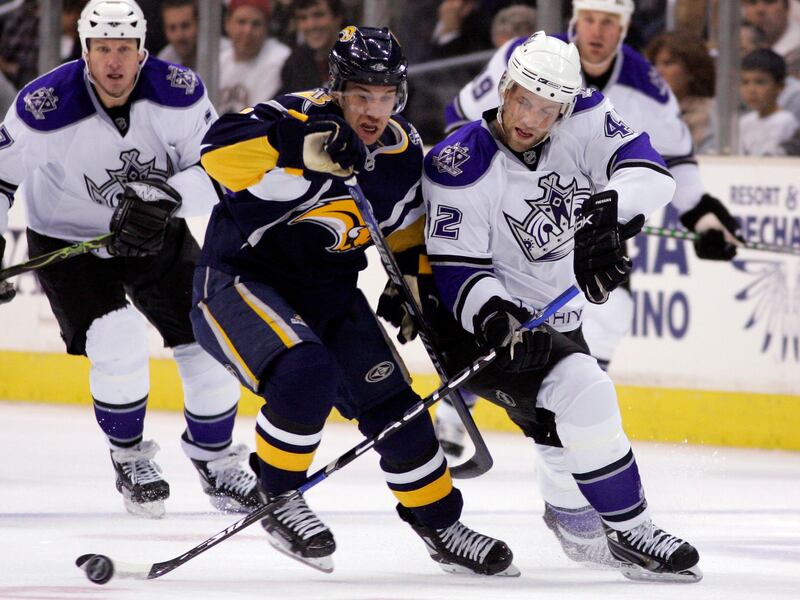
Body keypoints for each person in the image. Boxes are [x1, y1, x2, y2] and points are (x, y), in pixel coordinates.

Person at [191, 25, 517, 577]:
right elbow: (215, 152)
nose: (374, 109)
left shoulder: (400, 149)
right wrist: (295, 148)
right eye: (362, 94)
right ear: (337, 89)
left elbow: (408, 228)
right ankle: (278, 495)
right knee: (305, 372)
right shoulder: (292, 117)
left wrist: (410, 282)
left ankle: (441, 524)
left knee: (402, 413)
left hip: (330, 296)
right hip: (238, 285)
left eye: (386, 95)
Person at [420, 30, 702, 583]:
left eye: (549, 109)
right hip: (478, 326)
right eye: (523, 100)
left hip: (554, 317)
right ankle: (632, 530)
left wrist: (609, 211)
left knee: (557, 420)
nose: (531, 118)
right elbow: (458, 269)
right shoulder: (458, 165)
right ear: (503, 89)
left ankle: (574, 522)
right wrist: (494, 314)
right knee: (585, 391)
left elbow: (651, 173)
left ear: (566, 108)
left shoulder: (587, 115)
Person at [433, 0, 743, 468]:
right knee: (490, 307)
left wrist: (701, 215)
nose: (597, 33)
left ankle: (566, 424)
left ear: (624, 29)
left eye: (609, 24)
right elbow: (462, 120)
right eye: (590, 21)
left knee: (612, 309)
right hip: (503, 220)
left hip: (585, 224)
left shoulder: (645, 85)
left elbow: (671, 158)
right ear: (576, 21)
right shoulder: (524, 58)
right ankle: (457, 412)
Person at [0, 0, 261, 519]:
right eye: (102, 50)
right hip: (67, 241)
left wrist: (167, 199)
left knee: (208, 341)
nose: (114, 63)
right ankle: (130, 456)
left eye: (124, 49)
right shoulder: (44, 105)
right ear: (85, 50)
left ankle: (216, 462)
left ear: (142, 51)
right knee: (116, 339)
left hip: (155, 232)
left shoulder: (179, 93)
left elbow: (218, 171)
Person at [645, 31, 717, 154]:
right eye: (654, 64)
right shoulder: (642, 110)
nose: (658, 71)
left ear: (692, 70)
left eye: (668, 63)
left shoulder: (713, 113)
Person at [217, 0, 291, 114]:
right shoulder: (219, 61)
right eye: (241, 22)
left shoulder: (280, 59)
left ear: (267, 27)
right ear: (227, 23)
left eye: (256, 24)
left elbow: (258, 117)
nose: (248, 31)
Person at [277, 0, 344, 95]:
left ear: (337, 17)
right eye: (303, 18)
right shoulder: (294, 65)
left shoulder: (359, 59)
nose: (311, 25)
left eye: (318, 15)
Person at [740, 48, 799, 154]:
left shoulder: (786, 122)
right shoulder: (744, 122)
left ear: (780, 86)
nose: (751, 90)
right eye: (745, 82)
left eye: (760, 82)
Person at [157, 0, 199, 70]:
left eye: (185, 26)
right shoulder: (165, 59)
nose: (179, 36)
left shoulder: (221, 57)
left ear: (199, 25)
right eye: (172, 28)